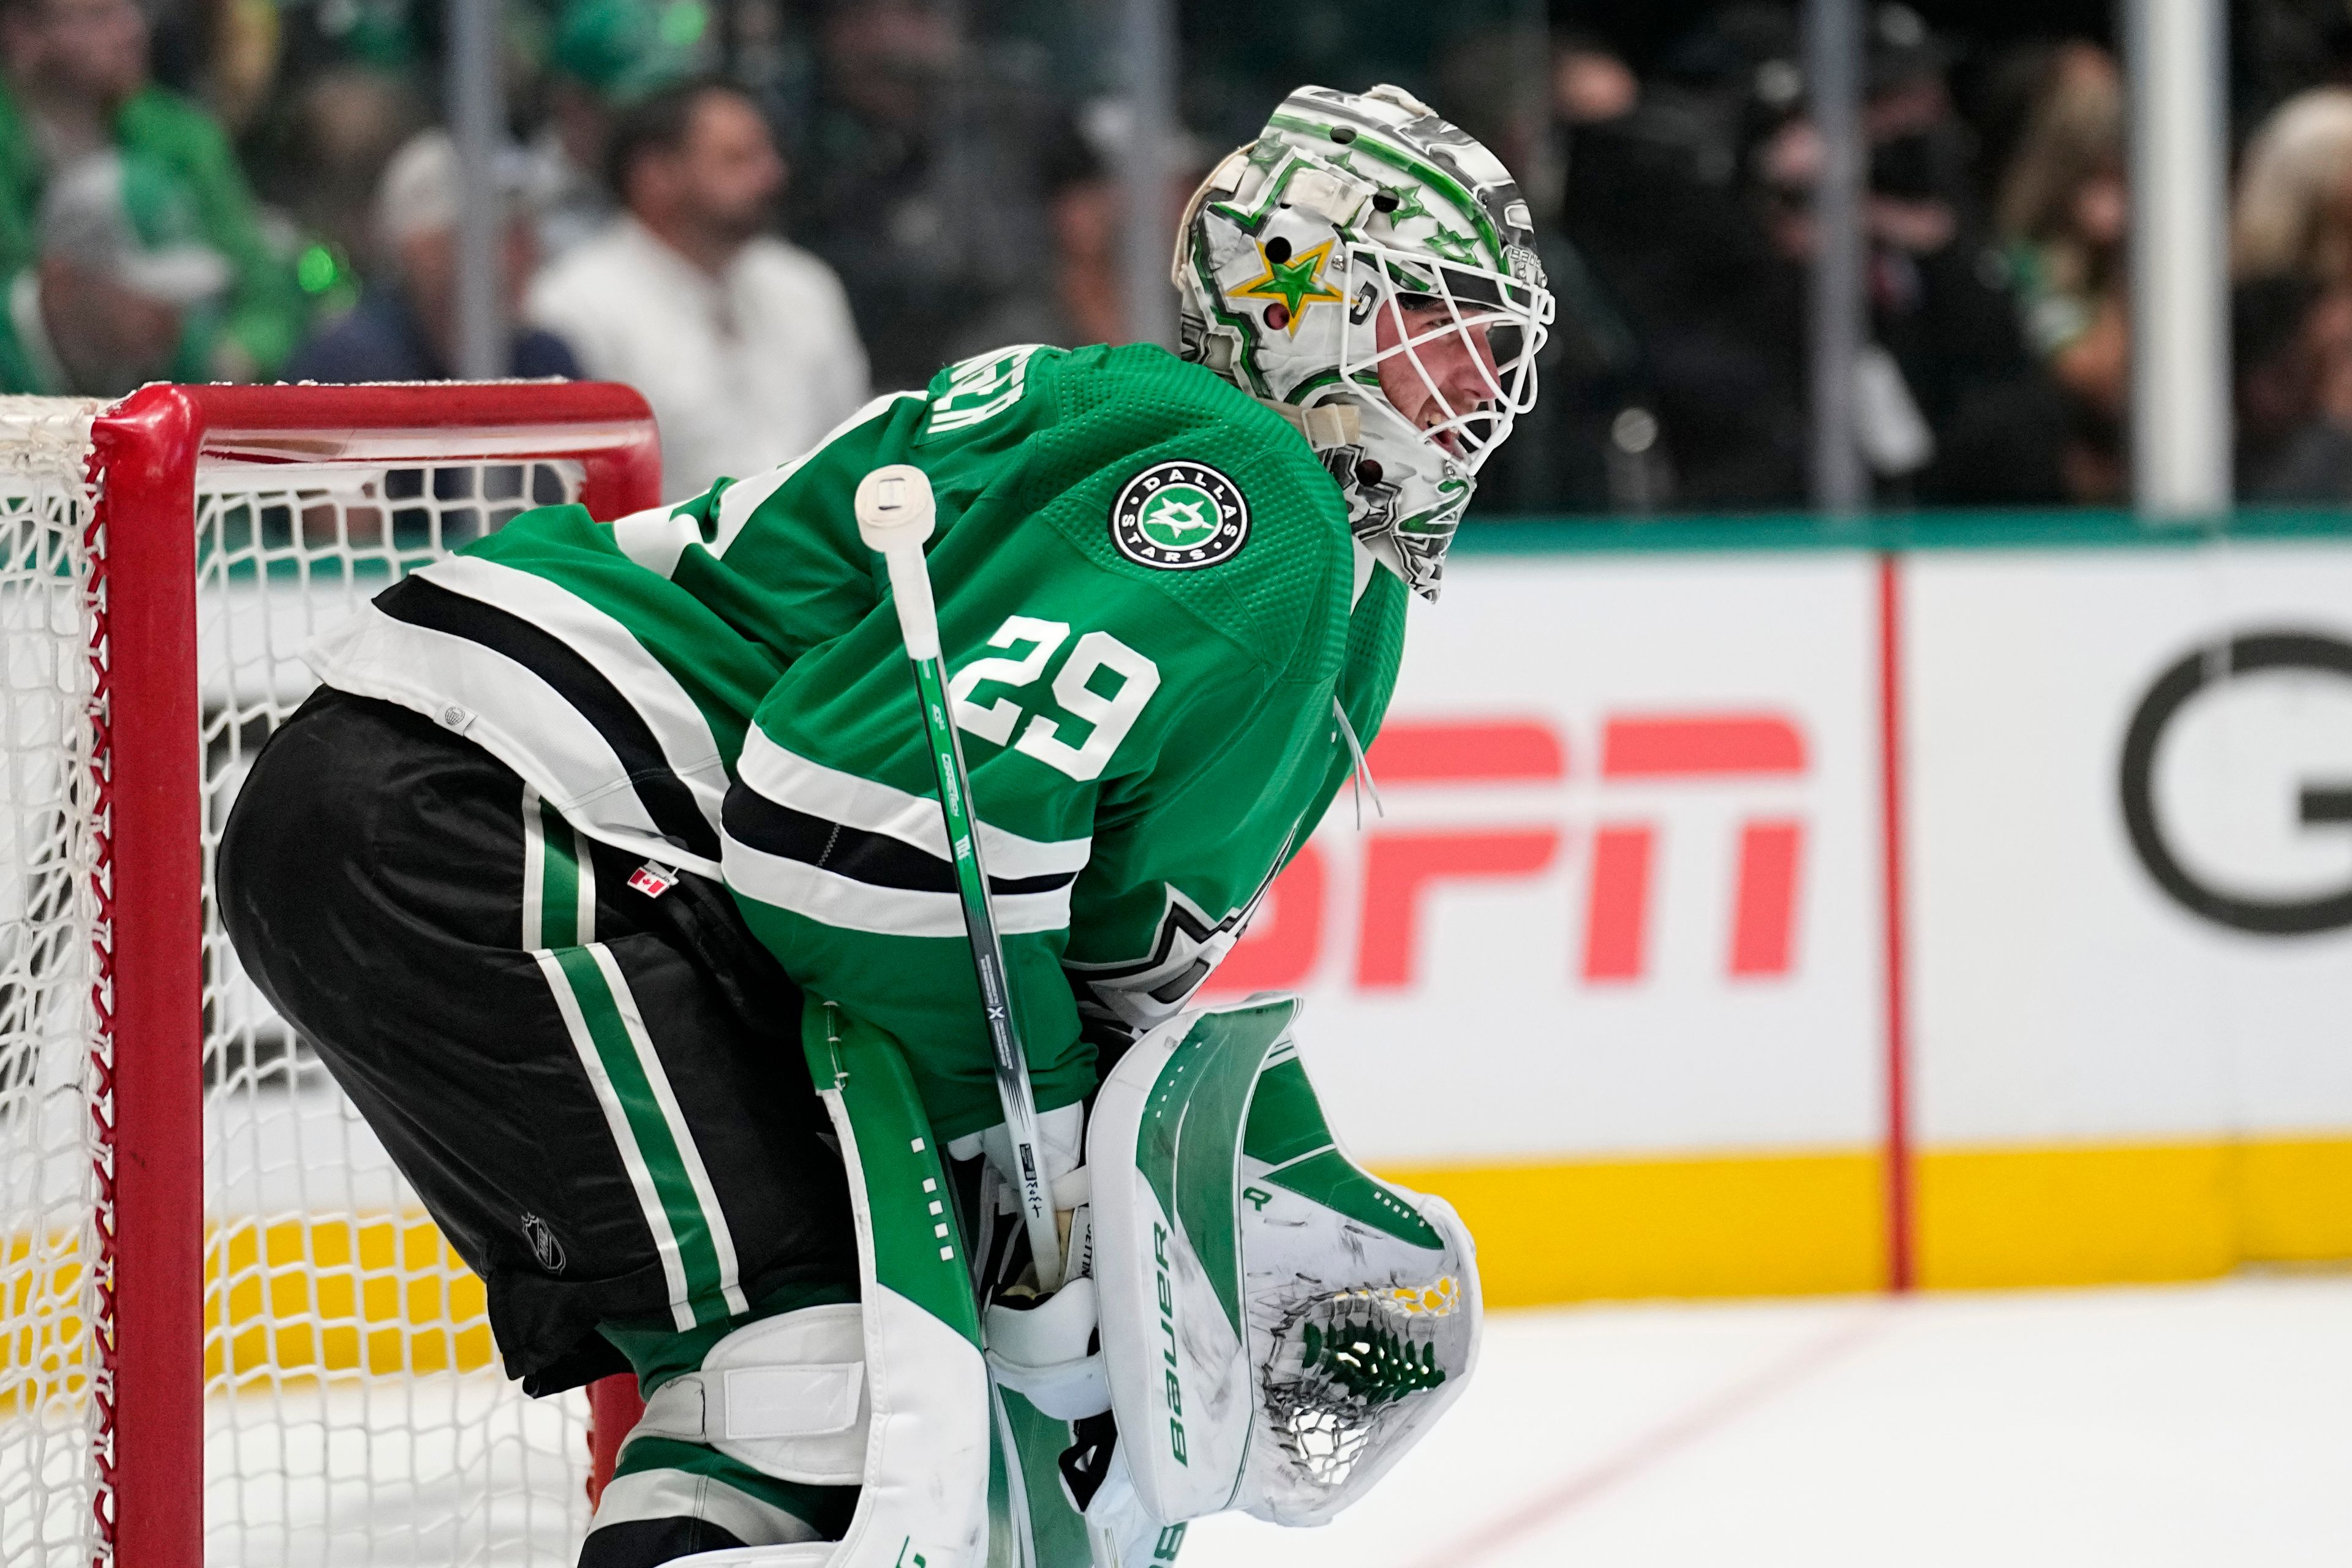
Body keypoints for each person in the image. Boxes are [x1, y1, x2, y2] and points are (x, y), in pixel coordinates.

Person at [217, 83, 1547, 1566]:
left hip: (507, 819)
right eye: (1445, 316)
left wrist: (1088, 1177)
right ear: (1305, 300)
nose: (1484, 371)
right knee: (822, 1394)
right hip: (499, 816)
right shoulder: (1234, 485)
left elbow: (1024, 909)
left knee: (817, 1373)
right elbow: (868, 835)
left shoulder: (1324, 573)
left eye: (1497, 336)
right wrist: (1029, 1137)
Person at [527, 79, 868, 500]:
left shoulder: (804, 285)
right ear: (655, 177)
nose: (772, 175)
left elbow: (856, 454)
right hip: (652, 561)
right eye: (737, 160)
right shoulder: (574, 304)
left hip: (817, 555)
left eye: (768, 155)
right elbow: (570, 499)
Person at [0, 0, 305, 377]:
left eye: (132, 10)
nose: (131, 31)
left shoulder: (185, 135)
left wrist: (226, 363)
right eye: (98, 16)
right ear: (23, 35)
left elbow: (262, 287)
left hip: (172, 376)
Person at [282, 130, 582, 383]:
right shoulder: (352, 367)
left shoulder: (544, 362)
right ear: (425, 250)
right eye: (509, 234)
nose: (532, 253)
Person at [0, 149, 225, 394]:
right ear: (63, 279)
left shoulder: (172, 359)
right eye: (145, 293)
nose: (169, 321)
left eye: (180, 296)